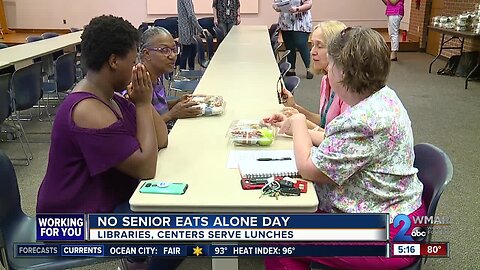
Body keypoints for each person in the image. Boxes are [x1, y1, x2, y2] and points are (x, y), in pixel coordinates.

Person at [264, 27, 425, 270]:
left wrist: (297, 121)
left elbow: (308, 168)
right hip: (392, 215)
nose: (327, 70)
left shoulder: (361, 120)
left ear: (343, 72)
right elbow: (341, 144)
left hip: (387, 234)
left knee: (279, 238)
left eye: (331, 65)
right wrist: (300, 130)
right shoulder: (382, 98)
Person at [36, 15, 168, 213]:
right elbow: (145, 169)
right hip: (74, 224)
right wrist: (142, 105)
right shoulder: (86, 110)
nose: (136, 69)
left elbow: (161, 139)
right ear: (114, 61)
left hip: (108, 205)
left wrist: (145, 102)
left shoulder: (111, 97)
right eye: (133, 63)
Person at [281, 21, 349, 131]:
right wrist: (295, 108)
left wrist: (302, 124)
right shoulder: (326, 79)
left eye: (320, 46)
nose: (312, 52)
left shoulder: (350, 89)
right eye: (312, 45)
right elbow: (325, 121)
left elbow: (339, 140)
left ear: (337, 50)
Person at [138, 27, 202, 131]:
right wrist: (172, 114)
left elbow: (157, 108)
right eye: (165, 50)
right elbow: (143, 129)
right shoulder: (139, 83)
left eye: (174, 49)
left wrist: (177, 102)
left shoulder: (157, 76)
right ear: (147, 54)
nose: (173, 56)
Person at [272, 0, 313, 79]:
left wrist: (297, 9)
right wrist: (276, 7)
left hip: (301, 21)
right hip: (286, 22)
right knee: (289, 45)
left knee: (301, 43)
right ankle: (291, 69)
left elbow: (309, 4)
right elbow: (276, 3)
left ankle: (309, 68)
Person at [178, 0, 204, 70]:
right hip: (187, 30)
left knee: (191, 52)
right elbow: (191, 15)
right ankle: (184, 73)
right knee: (187, 52)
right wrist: (200, 29)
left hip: (186, 29)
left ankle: (189, 72)